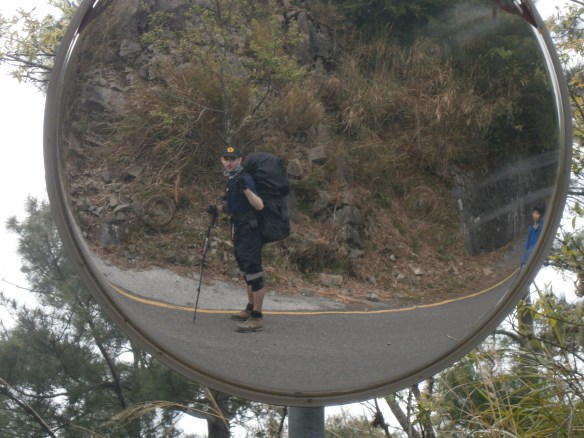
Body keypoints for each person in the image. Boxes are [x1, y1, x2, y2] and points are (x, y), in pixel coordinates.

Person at [209, 146, 266, 333]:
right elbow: (232, 207)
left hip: (251, 231)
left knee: (254, 273)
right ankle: (250, 309)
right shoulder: (231, 179)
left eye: (233, 159)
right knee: (246, 272)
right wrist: (216, 209)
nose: (229, 162)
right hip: (239, 230)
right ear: (221, 160)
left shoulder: (244, 178)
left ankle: (257, 317)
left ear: (240, 160)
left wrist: (246, 189)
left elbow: (259, 205)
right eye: (226, 158)